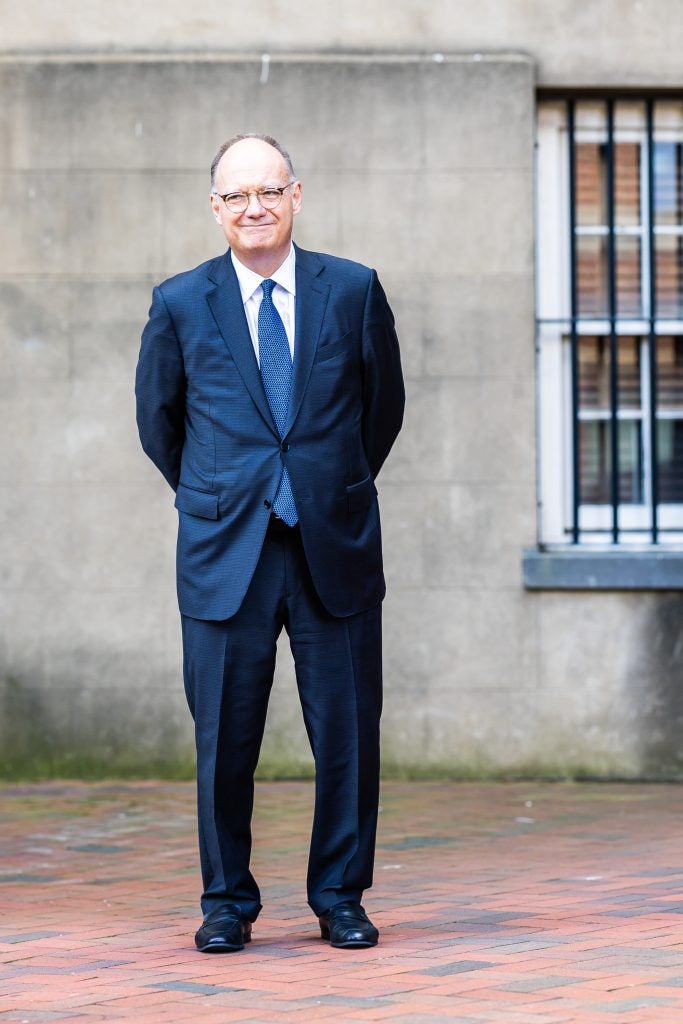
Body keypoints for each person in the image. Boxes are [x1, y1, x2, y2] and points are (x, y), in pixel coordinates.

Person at [135, 133, 404, 952]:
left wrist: (330, 485)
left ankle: (340, 898)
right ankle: (226, 904)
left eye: (268, 191)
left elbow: (381, 410)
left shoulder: (352, 290)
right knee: (223, 740)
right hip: (226, 554)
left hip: (335, 545)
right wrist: (219, 493)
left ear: (295, 195)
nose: (253, 207)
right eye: (234, 196)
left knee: (348, 736)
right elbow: (160, 422)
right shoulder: (181, 301)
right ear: (214, 209)